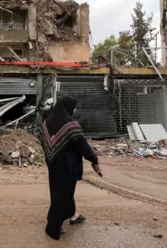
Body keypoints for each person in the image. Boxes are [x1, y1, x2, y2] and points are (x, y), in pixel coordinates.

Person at [40, 96, 101, 241]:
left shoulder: (46, 122)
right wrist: (94, 159)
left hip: (53, 164)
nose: (75, 109)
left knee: (59, 193)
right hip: (68, 167)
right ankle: (53, 227)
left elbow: (44, 141)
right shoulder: (71, 125)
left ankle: (72, 216)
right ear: (68, 107)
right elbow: (82, 146)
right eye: (74, 106)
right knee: (62, 196)